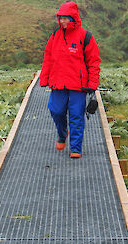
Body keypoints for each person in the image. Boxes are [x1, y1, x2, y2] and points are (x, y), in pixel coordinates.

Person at [39, 1, 101, 158]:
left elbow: (94, 61)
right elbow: (48, 58)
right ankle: (62, 134)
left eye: (66, 18)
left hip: (78, 86)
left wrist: (92, 84)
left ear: (74, 18)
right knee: (55, 110)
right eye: (61, 18)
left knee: (76, 115)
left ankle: (76, 148)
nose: (63, 21)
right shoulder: (55, 36)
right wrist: (44, 78)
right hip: (58, 83)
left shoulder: (85, 36)